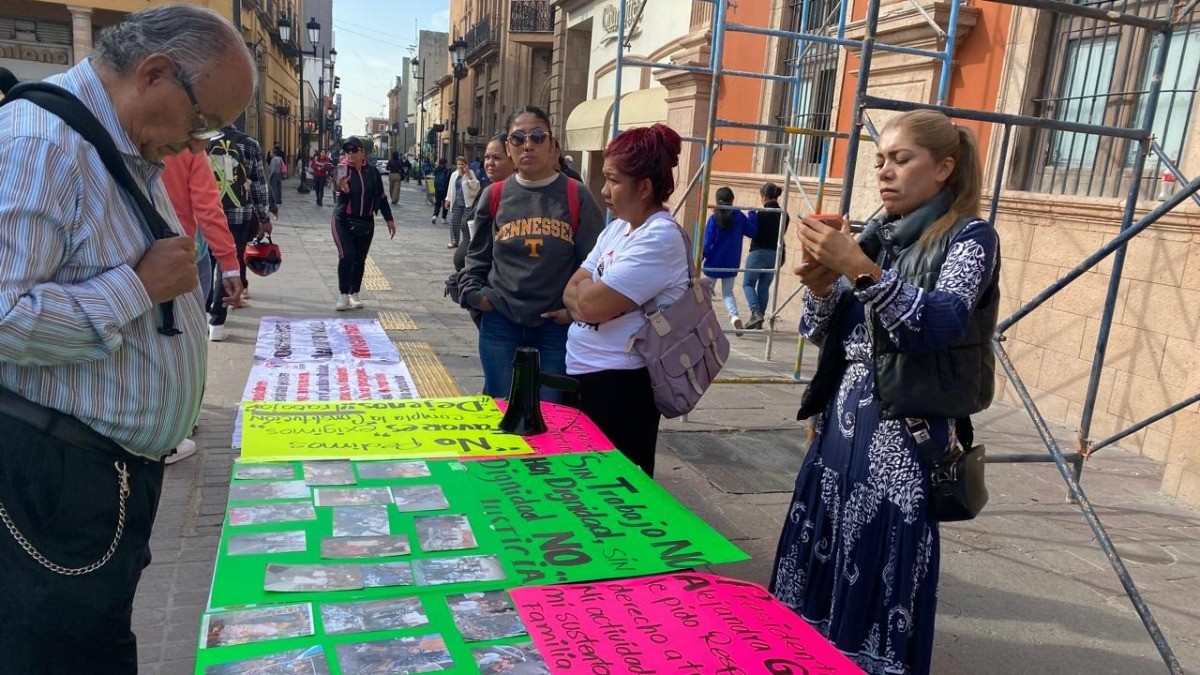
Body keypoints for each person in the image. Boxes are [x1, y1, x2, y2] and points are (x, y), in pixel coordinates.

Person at [0, 5, 255, 672]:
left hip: (102, 475)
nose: (199, 146)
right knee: (64, 652)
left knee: (97, 640)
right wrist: (137, 288)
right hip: (59, 478)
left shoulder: (118, 142)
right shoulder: (43, 144)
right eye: (201, 123)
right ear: (155, 74)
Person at [770, 110, 999, 675]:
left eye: (901, 160)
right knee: (820, 563)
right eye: (879, 161)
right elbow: (821, 331)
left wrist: (863, 271)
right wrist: (822, 284)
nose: (885, 173)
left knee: (877, 569)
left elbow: (939, 324)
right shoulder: (876, 234)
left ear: (944, 168)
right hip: (839, 431)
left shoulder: (971, 237)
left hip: (901, 436)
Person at [563, 124, 690, 477]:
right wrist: (588, 299)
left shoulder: (659, 238)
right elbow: (572, 287)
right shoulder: (619, 227)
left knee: (613, 493)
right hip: (586, 376)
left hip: (621, 385)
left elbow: (587, 304)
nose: (603, 191)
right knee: (582, 486)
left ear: (644, 187)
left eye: (613, 181)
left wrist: (586, 300)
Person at [459, 105, 604, 400]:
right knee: (501, 409)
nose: (528, 145)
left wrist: (573, 312)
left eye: (538, 136)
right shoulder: (495, 195)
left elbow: (595, 263)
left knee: (551, 414)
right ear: (509, 149)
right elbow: (477, 256)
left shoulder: (577, 195)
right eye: (517, 138)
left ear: (553, 146)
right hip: (501, 321)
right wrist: (477, 296)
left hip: (555, 326)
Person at [163, 150, 245, 346]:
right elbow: (208, 209)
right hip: (183, 253)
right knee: (187, 332)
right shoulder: (188, 145)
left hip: (129, 259)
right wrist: (229, 264)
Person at [208, 124, 276, 323]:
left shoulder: (203, 141)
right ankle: (217, 322)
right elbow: (259, 186)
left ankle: (204, 310)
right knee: (227, 264)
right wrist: (264, 218)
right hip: (238, 215)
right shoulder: (249, 144)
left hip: (207, 213)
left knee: (204, 263)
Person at [453, 134, 516, 329]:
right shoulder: (488, 190)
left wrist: (484, 298)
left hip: (493, 290)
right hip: (478, 285)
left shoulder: (511, 197)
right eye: (487, 157)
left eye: (497, 158)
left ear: (513, 160)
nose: (490, 163)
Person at [333, 136, 395, 311]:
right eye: (347, 151)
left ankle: (354, 293)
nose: (350, 153)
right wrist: (343, 189)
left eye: (354, 150)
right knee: (347, 255)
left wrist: (389, 219)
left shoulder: (372, 172)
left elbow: (381, 197)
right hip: (343, 219)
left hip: (366, 221)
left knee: (360, 259)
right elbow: (337, 194)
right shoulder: (342, 169)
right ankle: (343, 295)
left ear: (362, 152)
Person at [702, 186, 756, 335]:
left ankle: (704, 321)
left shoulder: (713, 219)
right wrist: (752, 214)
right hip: (731, 263)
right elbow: (752, 231)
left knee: (706, 293)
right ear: (732, 200)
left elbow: (707, 243)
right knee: (727, 293)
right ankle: (734, 317)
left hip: (713, 263)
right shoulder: (738, 216)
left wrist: (700, 257)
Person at [743, 182, 788, 330]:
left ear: (764, 196)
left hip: (758, 253)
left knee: (748, 284)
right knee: (763, 288)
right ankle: (759, 321)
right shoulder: (784, 215)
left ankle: (755, 312)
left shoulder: (761, 213)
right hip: (775, 254)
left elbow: (754, 232)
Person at [444, 155, 480, 249]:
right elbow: (450, 188)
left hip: (468, 203)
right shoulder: (454, 174)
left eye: (462, 164)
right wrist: (448, 199)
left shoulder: (470, 173)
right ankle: (454, 241)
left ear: (466, 165)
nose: (460, 166)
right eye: (459, 164)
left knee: (466, 224)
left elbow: (476, 187)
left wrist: (469, 175)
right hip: (456, 202)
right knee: (453, 222)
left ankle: (467, 243)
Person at [431, 157, 450, 224]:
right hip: (445, 190)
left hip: (437, 189)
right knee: (445, 204)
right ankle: (443, 218)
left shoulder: (436, 170)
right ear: (445, 163)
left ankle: (434, 216)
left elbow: (434, 177)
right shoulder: (446, 170)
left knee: (437, 204)